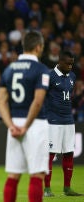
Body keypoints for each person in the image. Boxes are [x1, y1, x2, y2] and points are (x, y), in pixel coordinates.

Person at [0, 31, 50, 202]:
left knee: (13, 175)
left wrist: (10, 125)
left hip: (14, 123)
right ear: (38, 47)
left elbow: (1, 101)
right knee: (37, 174)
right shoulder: (41, 69)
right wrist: (26, 126)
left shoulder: (9, 69)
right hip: (34, 123)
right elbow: (37, 101)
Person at [44, 51, 82, 197]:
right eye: (67, 63)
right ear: (59, 61)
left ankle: (67, 188)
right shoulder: (49, 76)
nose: (70, 66)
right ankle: (47, 189)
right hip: (53, 121)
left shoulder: (72, 76)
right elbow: (41, 96)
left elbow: (68, 97)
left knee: (69, 153)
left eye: (72, 63)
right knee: (50, 155)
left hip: (68, 120)